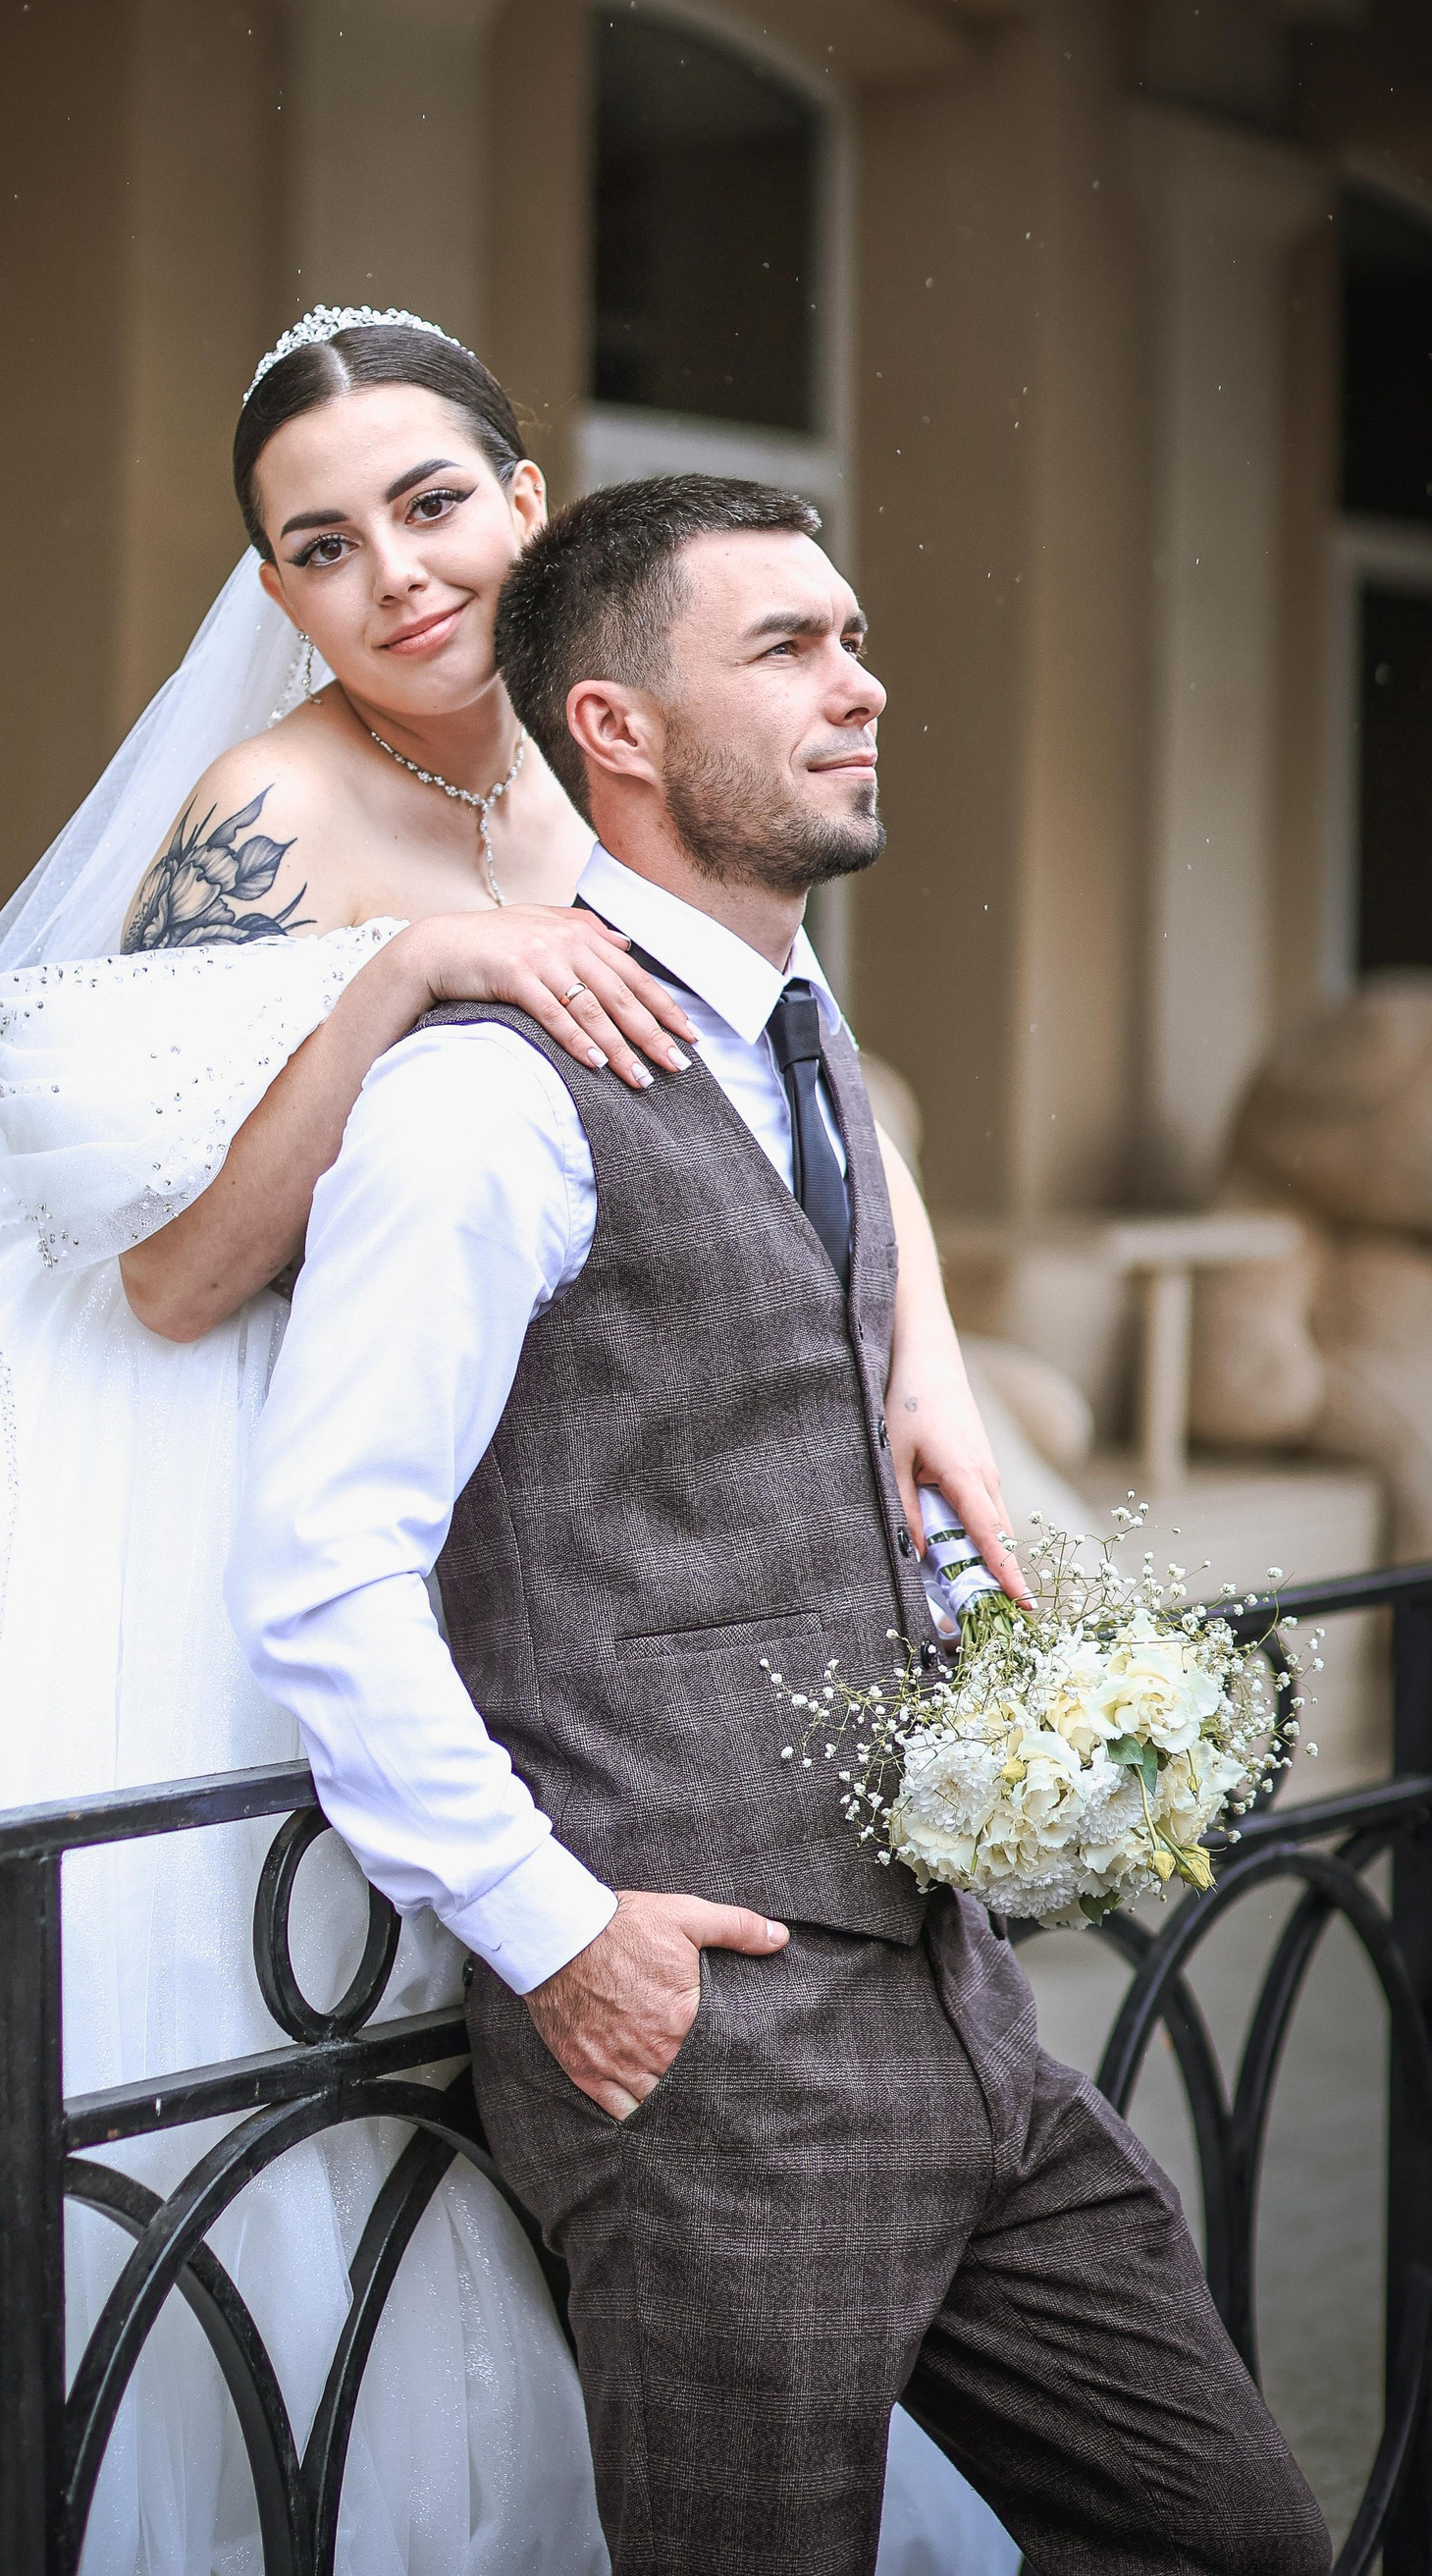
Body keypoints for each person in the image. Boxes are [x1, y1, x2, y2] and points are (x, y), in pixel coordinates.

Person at [0, 307, 1008, 2575]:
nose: (394, 575)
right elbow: (169, 1273)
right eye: (321, 546)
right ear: (276, 591)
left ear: (528, 502)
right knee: (220, 2056)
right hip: (206, 1461)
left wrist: (923, 1359)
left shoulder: (610, 761)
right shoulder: (268, 811)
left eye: (430, 505)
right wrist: (405, 977)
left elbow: (792, 1036)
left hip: (510, 1449)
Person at [227, 472, 1335, 2576]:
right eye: (790, 648)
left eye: (855, 638)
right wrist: (561, 1938)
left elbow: (758, 1442)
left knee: (1235, 2534)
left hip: (964, 2017)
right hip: (714, 2064)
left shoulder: (803, 1047)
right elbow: (323, 1567)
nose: (864, 685)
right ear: (617, 729)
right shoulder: (486, 1105)